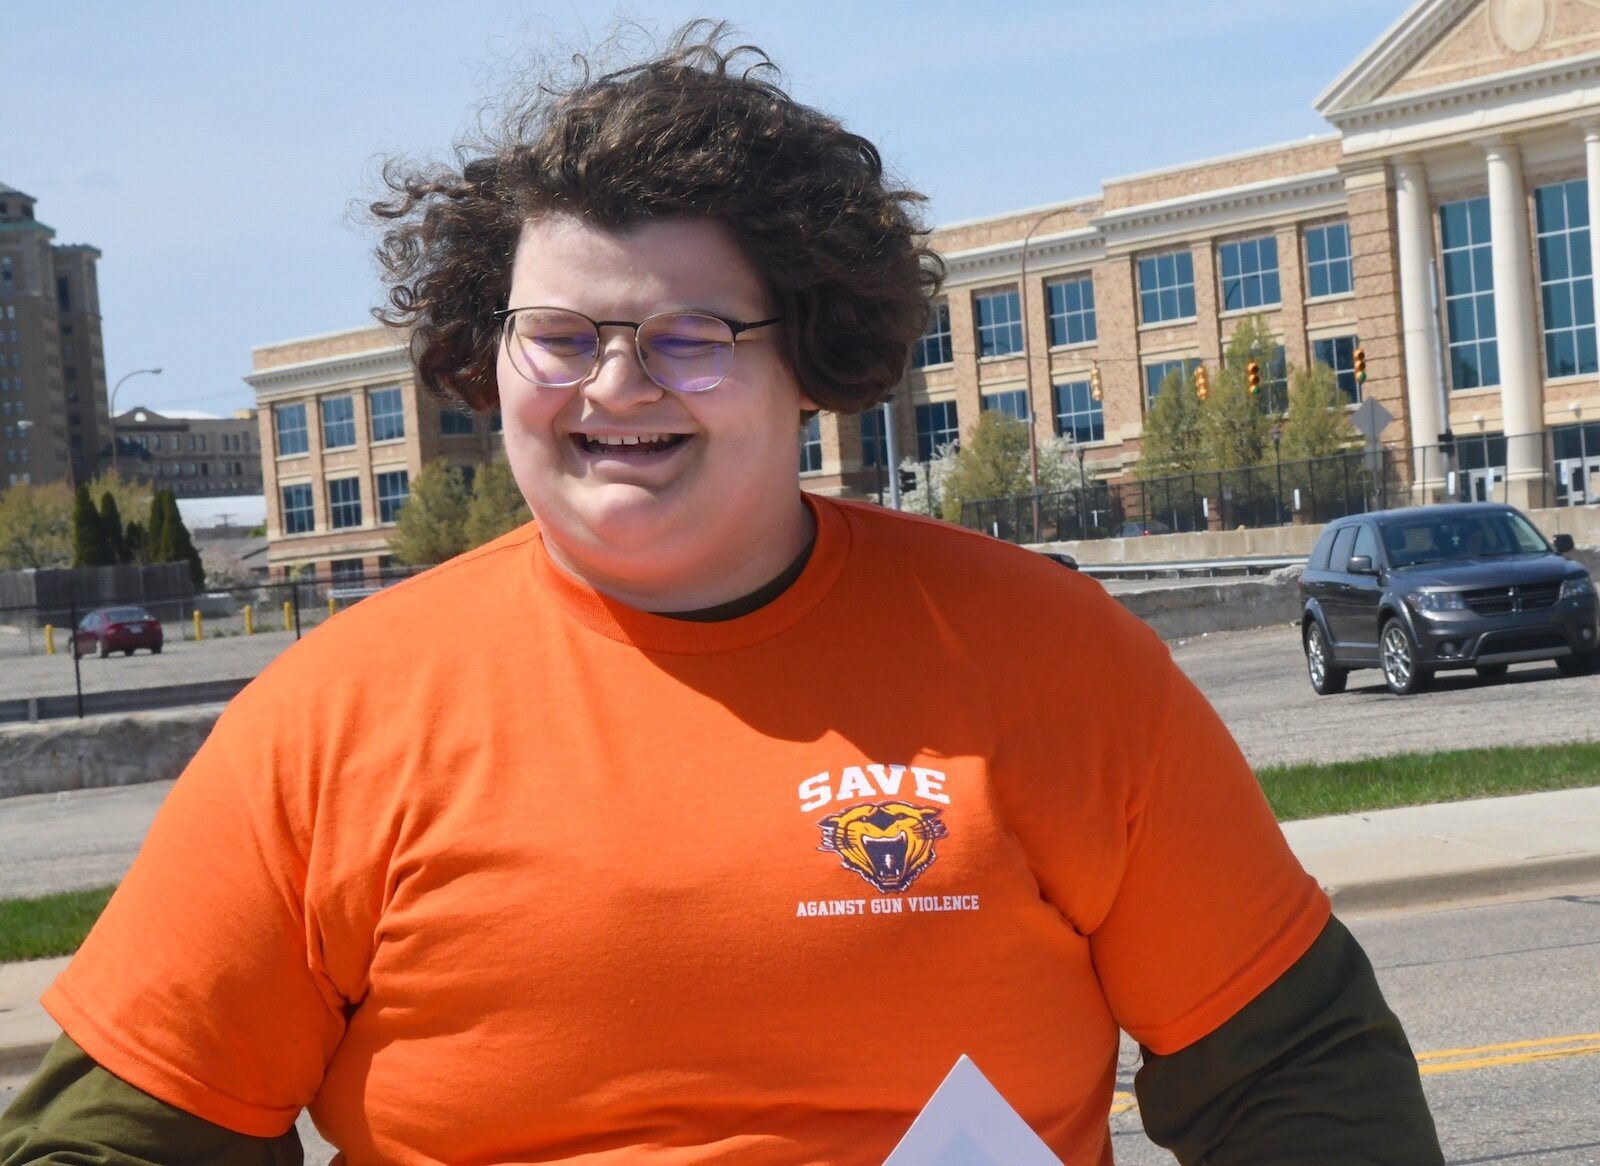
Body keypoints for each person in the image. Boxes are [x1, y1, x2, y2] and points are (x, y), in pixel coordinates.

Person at [0, 24, 1443, 1166]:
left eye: (690, 336)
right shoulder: (331, 721)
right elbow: (117, 1132)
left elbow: (1303, 1077)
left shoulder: (1054, 661)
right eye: (559, 335)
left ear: (805, 357)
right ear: (482, 352)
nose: (615, 388)